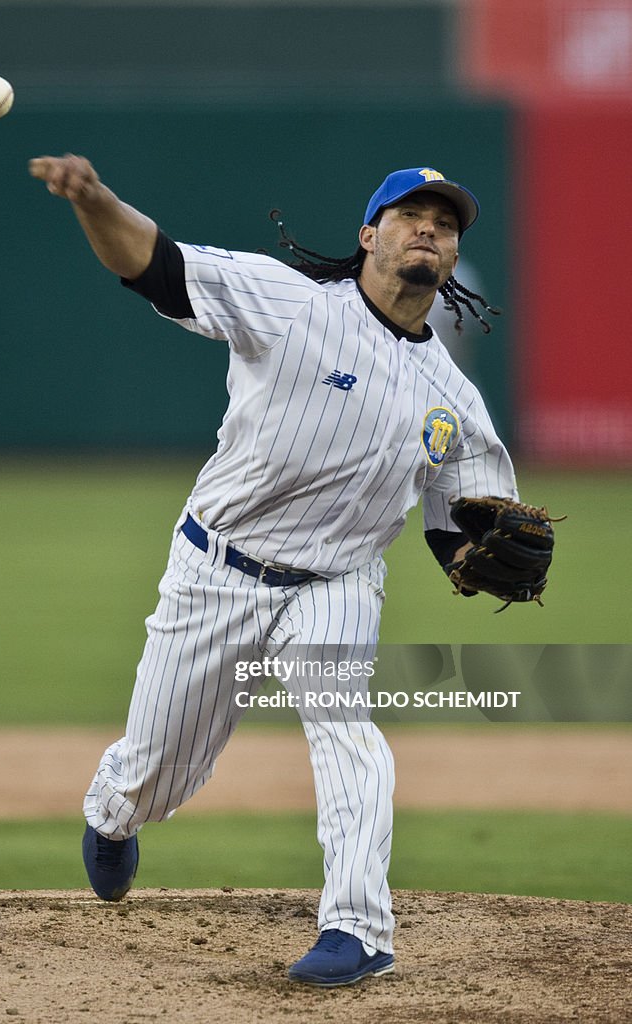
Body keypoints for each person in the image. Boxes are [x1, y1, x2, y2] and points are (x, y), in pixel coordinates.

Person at [28, 157, 518, 987]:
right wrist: (97, 199)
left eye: (445, 221)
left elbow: (467, 523)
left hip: (337, 583)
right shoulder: (289, 303)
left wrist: (483, 548)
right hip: (215, 569)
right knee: (159, 768)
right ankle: (115, 814)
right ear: (370, 235)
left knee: (347, 733)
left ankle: (357, 929)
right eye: (409, 214)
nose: (429, 228)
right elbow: (155, 263)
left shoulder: (455, 400)